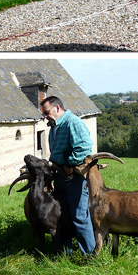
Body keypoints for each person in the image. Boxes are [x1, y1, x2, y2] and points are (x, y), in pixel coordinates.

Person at [41, 95, 96, 254]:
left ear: (57, 108)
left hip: (74, 179)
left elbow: (84, 148)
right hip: (59, 178)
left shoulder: (73, 122)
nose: (45, 116)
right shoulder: (54, 126)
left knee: (79, 217)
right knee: (62, 217)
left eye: (46, 112)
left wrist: (69, 164)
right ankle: (64, 254)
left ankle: (90, 256)